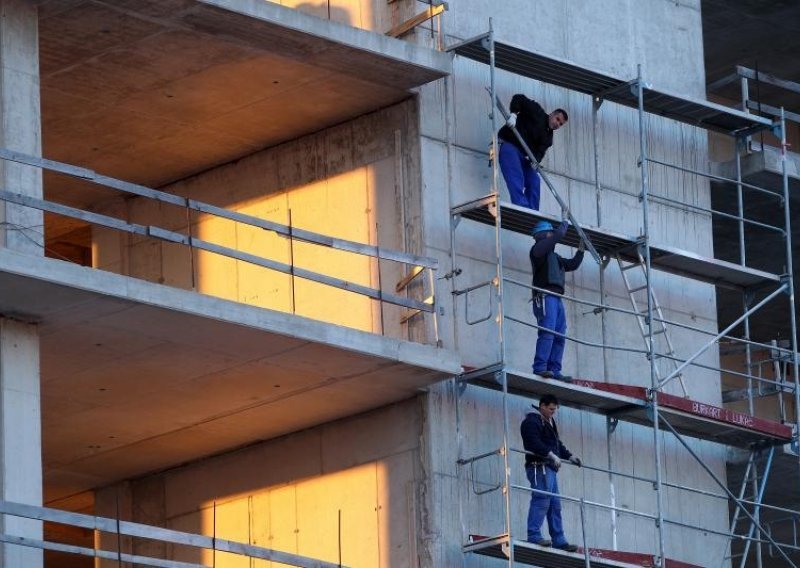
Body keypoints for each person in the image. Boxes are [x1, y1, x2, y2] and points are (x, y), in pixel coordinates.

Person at [521, 394, 582, 551]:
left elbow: (556, 444)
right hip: (539, 465)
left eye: (554, 410)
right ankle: (534, 535)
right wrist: (550, 454)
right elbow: (533, 443)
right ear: (542, 406)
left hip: (549, 468)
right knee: (541, 500)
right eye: (550, 409)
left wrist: (569, 456)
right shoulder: (532, 421)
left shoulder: (548, 421)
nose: (552, 412)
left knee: (555, 505)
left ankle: (559, 539)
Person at [530, 217, 584, 381]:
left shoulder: (555, 257)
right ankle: (540, 367)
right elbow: (559, 234)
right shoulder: (537, 251)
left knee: (559, 335)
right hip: (545, 296)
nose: (552, 236)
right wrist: (565, 222)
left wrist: (581, 249)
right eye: (549, 234)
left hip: (556, 298)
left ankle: (554, 370)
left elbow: (573, 264)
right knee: (548, 332)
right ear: (543, 235)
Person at [498, 95, 568, 210]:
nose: (557, 124)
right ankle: (521, 206)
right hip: (509, 145)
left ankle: (532, 211)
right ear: (552, 114)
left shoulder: (548, 138)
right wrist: (514, 114)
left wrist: (535, 161)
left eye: (560, 124)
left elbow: (539, 154)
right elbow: (518, 98)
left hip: (524, 157)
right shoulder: (536, 111)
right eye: (557, 119)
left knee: (534, 180)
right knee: (516, 177)